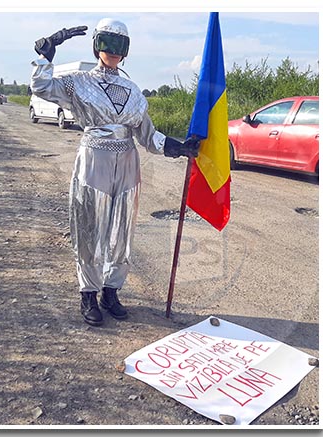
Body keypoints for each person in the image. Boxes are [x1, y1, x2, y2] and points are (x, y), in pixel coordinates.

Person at [30, 18, 200, 327]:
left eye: (119, 45)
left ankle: (111, 291)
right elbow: (41, 86)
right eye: (106, 43)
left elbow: (147, 134)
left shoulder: (133, 91)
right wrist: (47, 54)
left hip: (128, 163)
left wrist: (177, 147)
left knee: (122, 232)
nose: (112, 51)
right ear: (96, 46)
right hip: (94, 160)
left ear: (126, 51)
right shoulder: (78, 81)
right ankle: (89, 294)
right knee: (89, 229)